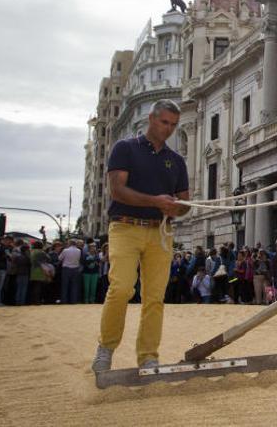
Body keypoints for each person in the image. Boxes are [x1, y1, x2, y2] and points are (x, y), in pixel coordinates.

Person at [92, 99, 190, 373]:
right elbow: (118, 190)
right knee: (121, 288)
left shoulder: (177, 161)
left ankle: (148, 356)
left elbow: (184, 203)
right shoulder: (125, 148)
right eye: (164, 122)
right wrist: (156, 201)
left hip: (161, 232)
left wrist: (177, 208)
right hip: (125, 226)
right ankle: (106, 348)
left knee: (155, 297)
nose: (168, 129)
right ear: (151, 118)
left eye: (173, 124)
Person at [59, 239, 83, 304]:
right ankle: (73, 301)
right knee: (74, 286)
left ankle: (64, 301)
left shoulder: (65, 250)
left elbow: (60, 258)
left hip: (66, 269)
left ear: (69, 243)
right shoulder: (79, 251)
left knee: (65, 286)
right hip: (75, 269)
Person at [0, 236, 13, 306]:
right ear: (6, 240)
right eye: (9, 241)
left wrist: (8, 256)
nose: (9, 243)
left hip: (2, 268)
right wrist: (6, 256)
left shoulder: (3, 247)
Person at [11, 240, 31, 306]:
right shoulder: (27, 258)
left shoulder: (17, 257)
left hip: (18, 273)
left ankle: (17, 301)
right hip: (25, 273)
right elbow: (30, 265)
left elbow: (14, 264)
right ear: (26, 250)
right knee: (24, 288)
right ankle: (22, 302)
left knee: (19, 287)